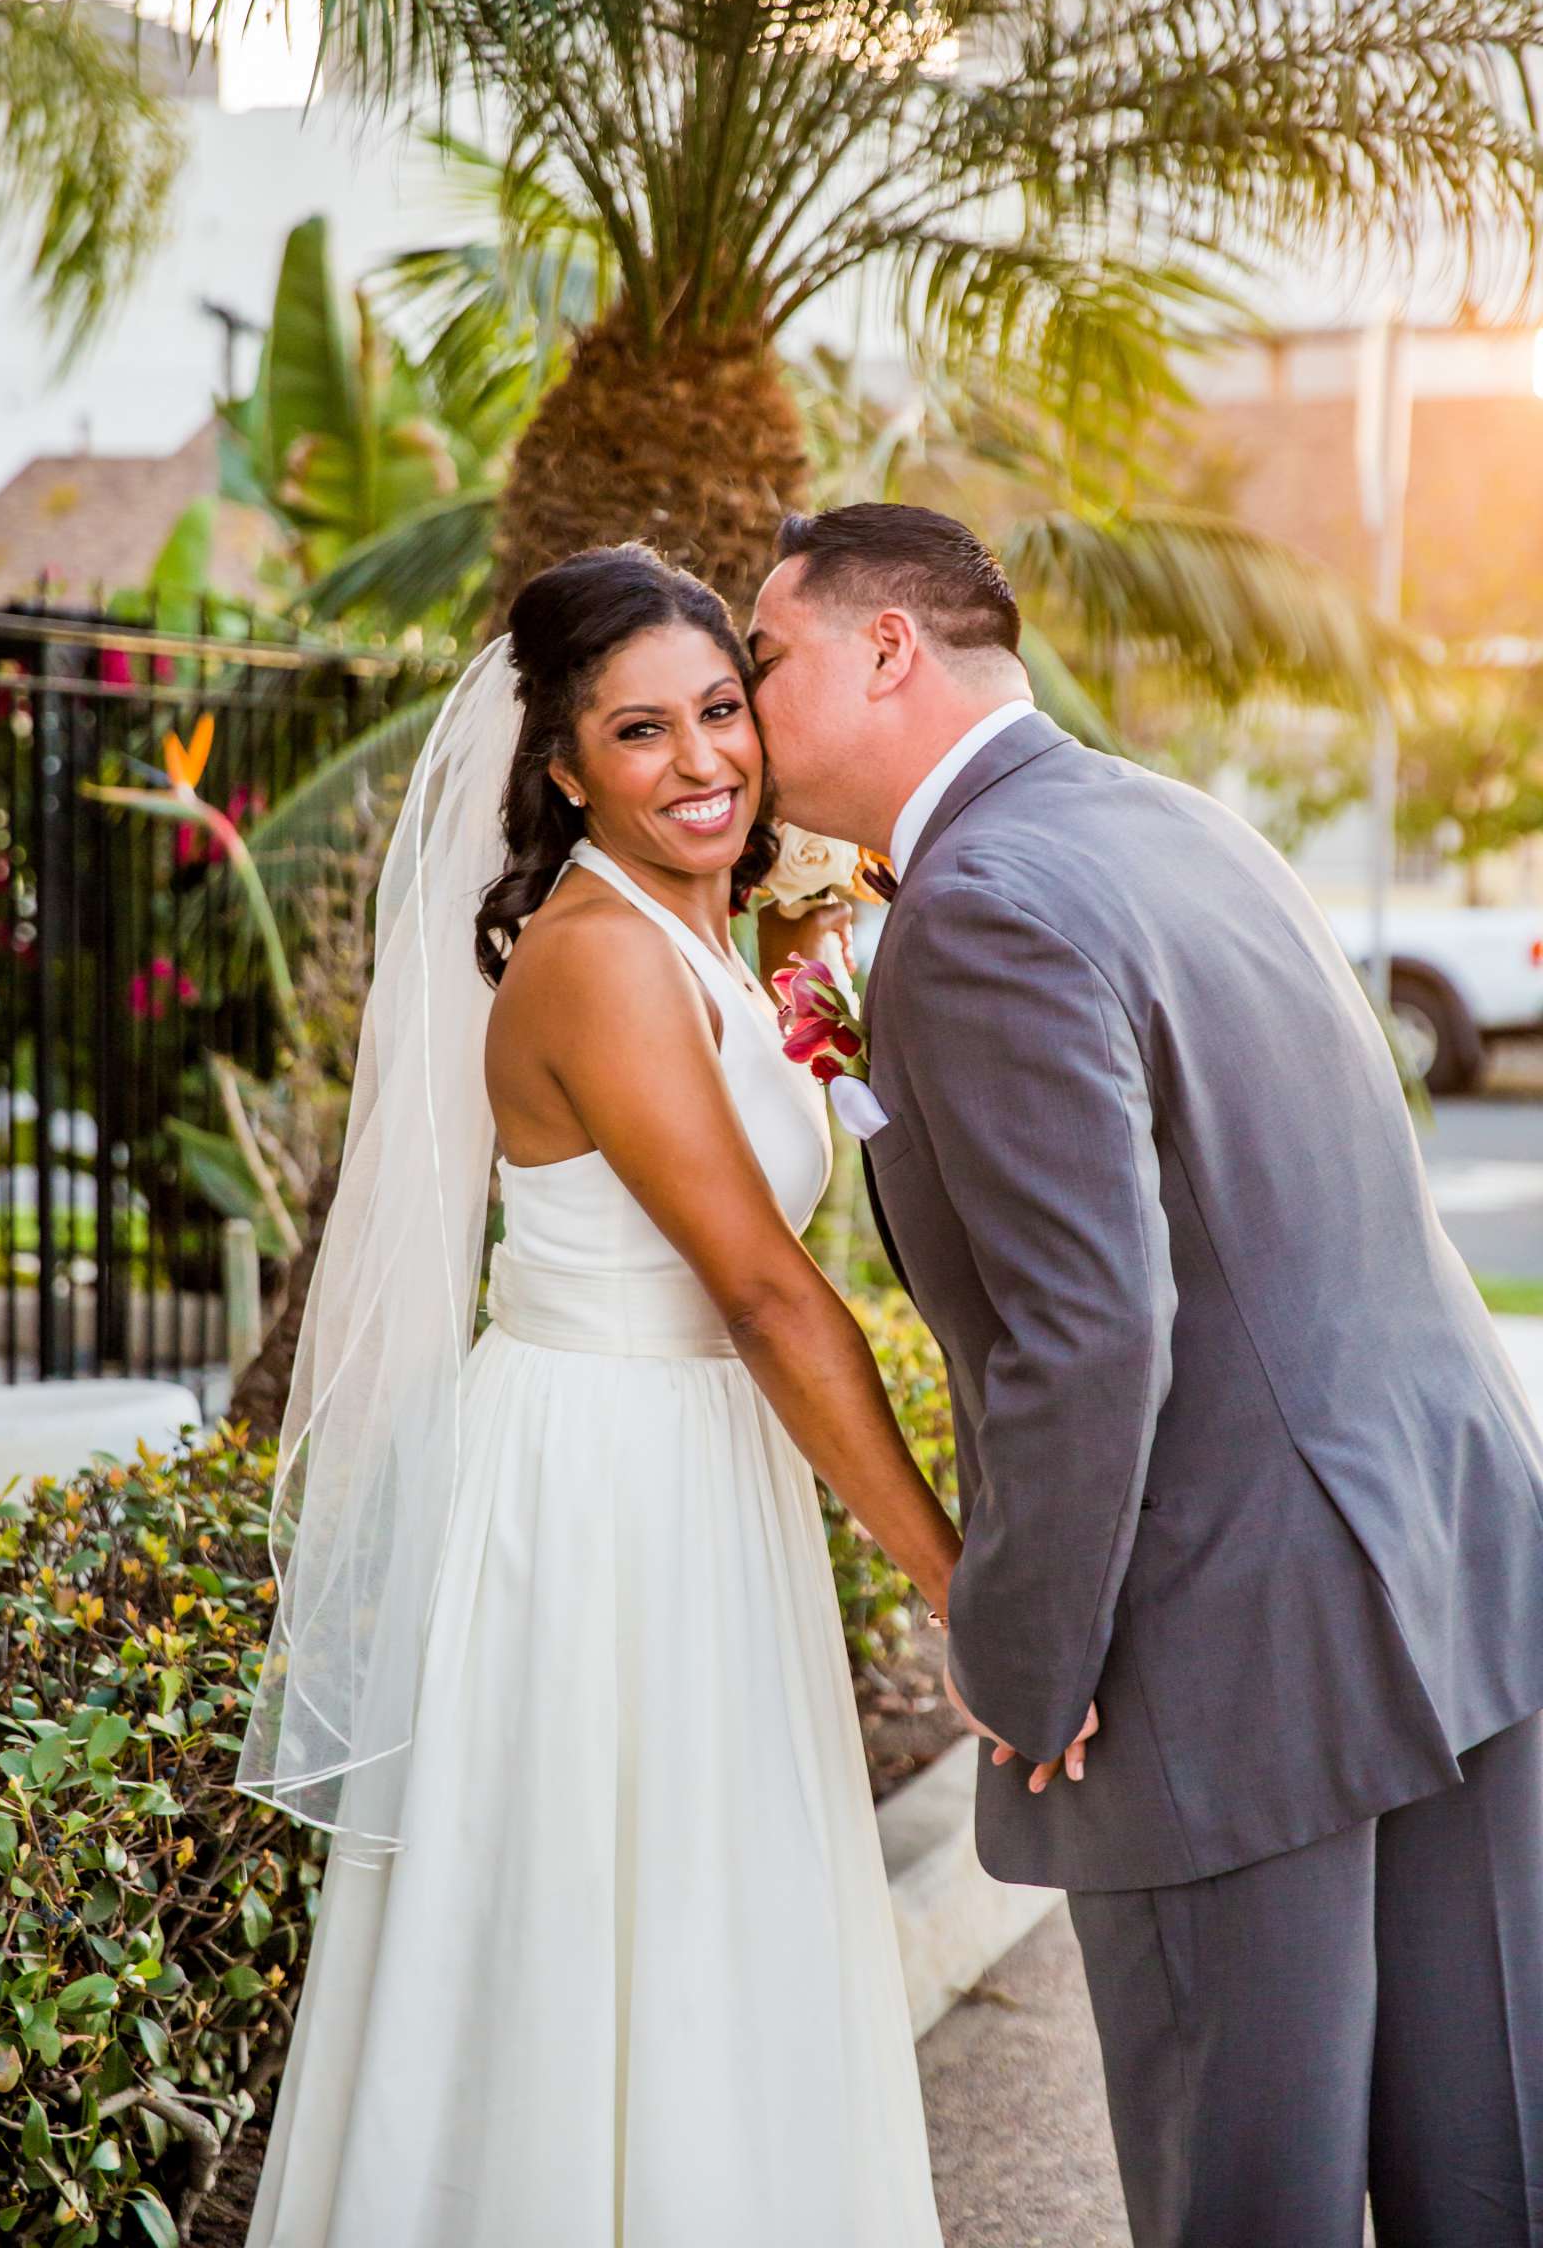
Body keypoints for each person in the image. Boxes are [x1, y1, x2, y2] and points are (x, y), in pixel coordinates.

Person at [748, 501, 1543, 2248]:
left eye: (767, 655)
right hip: (1454, 1564)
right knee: (1476, 2166)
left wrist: (1025, 1653)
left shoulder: (979, 907)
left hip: (1227, 1638)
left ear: (889, 649)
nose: (746, 699)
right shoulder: (1180, 823)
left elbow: (1086, 1335)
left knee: (1238, 2189)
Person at [238, 543, 956, 2246]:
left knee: (714, 1923)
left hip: (704, 1474)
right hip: (603, 1489)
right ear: (562, 771)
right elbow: (774, 1298)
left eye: (724, 709)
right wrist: (967, 1586)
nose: (702, 760)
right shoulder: (596, 959)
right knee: (597, 1935)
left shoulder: (735, 919)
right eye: (641, 735)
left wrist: (829, 939)